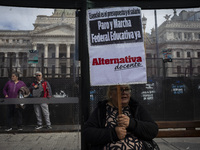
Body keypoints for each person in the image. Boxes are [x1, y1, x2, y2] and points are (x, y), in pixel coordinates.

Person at [83, 85, 158, 150]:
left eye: (127, 89)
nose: (124, 92)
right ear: (110, 93)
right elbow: (88, 133)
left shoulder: (135, 108)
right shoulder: (102, 109)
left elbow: (153, 130)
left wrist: (131, 124)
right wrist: (113, 133)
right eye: (120, 89)